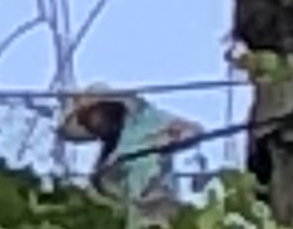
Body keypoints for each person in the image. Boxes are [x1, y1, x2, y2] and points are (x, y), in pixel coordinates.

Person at [57, 87, 199, 216]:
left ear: (105, 108)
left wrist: (165, 140)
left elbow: (191, 131)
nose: (90, 125)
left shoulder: (144, 118)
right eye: (83, 121)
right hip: (124, 214)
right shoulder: (107, 150)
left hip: (155, 200)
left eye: (88, 117)